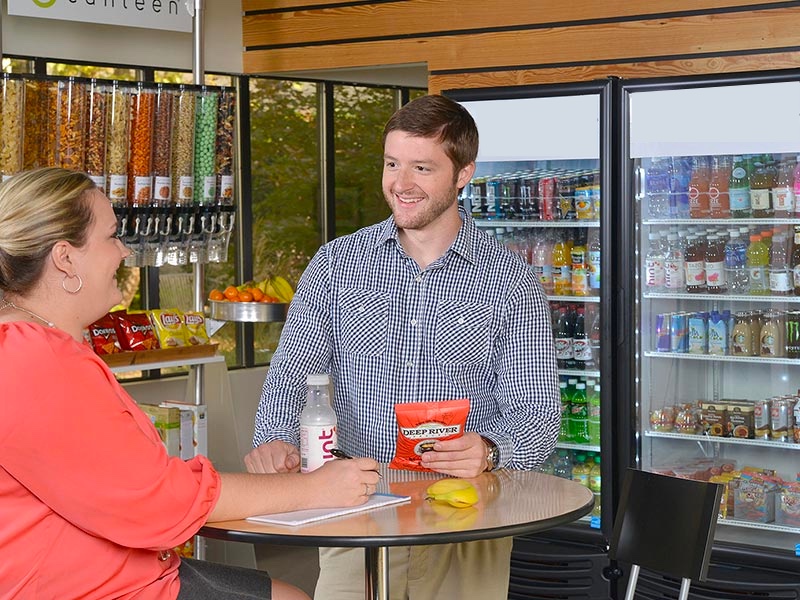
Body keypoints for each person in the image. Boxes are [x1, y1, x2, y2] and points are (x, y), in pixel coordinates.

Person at [0, 167, 381, 600]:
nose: (124, 252)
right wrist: (314, 489)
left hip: (128, 567)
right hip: (92, 586)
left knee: (288, 593)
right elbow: (158, 502)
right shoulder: (35, 360)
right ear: (66, 258)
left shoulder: (39, 347)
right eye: (111, 237)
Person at [245, 94, 560, 599]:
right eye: (392, 164)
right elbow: (291, 379)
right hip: (357, 511)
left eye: (421, 167)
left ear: (463, 174)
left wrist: (491, 448)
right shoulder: (337, 264)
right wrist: (277, 439)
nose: (401, 183)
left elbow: (539, 414)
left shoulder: (510, 281)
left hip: (466, 518)